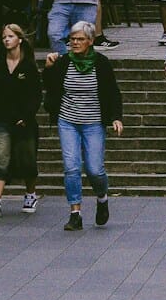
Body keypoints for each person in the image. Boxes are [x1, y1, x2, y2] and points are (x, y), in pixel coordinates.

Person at [43, 21, 123, 231]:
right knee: (71, 167)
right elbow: (50, 86)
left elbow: (112, 92)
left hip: (93, 122)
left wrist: (116, 117)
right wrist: (48, 68)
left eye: (80, 39)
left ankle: (102, 197)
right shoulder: (64, 62)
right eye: (72, 39)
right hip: (68, 121)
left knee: (94, 169)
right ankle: (75, 213)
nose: (75, 43)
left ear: (90, 41)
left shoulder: (101, 63)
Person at [0, 23, 42, 217]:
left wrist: (27, 116)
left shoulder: (28, 65)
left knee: (27, 160)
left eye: (10, 36)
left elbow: (36, 94)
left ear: (19, 39)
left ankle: (30, 194)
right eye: (4, 37)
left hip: (24, 121)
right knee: (1, 158)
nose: (7, 40)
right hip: (1, 118)